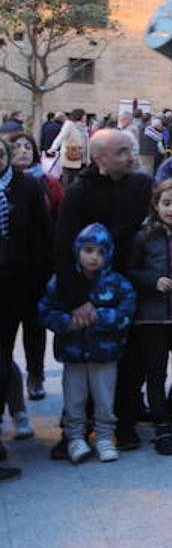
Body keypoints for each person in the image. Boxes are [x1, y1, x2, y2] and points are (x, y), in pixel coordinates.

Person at [51, 128, 152, 453]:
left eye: (131, 149)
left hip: (130, 286)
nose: (130, 156)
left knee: (130, 360)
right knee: (82, 366)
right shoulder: (79, 192)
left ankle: (124, 423)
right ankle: (74, 431)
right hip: (88, 289)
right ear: (99, 159)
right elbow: (63, 246)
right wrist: (77, 299)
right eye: (121, 151)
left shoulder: (143, 185)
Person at [39, 223, 136, 464]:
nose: (94, 257)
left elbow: (127, 311)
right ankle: (75, 438)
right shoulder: (61, 282)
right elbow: (45, 310)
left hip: (105, 354)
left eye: (101, 252)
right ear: (77, 251)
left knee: (104, 398)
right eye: (89, 250)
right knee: (75, 398)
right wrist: (68, 322)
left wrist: (98, 318)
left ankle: (104, 437)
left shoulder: (117, 283)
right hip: (72, 354)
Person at [126, 178, 172, 454]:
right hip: (151, 318)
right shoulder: (144, 236)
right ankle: (162, 428)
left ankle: (167, 417)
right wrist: (152, 280)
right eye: (166, 203)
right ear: (156, 205)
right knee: (155, 373)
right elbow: (131, 271)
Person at [0, 136, 50, 481]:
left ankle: (26, 393)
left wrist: (42, 279)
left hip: (20, 281)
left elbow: (42, 234)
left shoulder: (27, 186)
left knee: (7, 355)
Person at [3, 133, 59, 400]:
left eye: (28, 147)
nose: (22, 151)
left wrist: (48, 267)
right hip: (4, 274)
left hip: (30, 271)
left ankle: (35, 375)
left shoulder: (31, 185)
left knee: (34, 328)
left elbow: (45, 228)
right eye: (16, 147)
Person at [49, 108, 90, 186]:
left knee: (79, 182)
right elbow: (61, 137)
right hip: (70, 156)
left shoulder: (84, 127)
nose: (86, 117)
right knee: (69, 181)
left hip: (82, 159)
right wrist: (53, 148)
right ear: (79, 116)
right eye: (84, 115)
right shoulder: (69, 125)